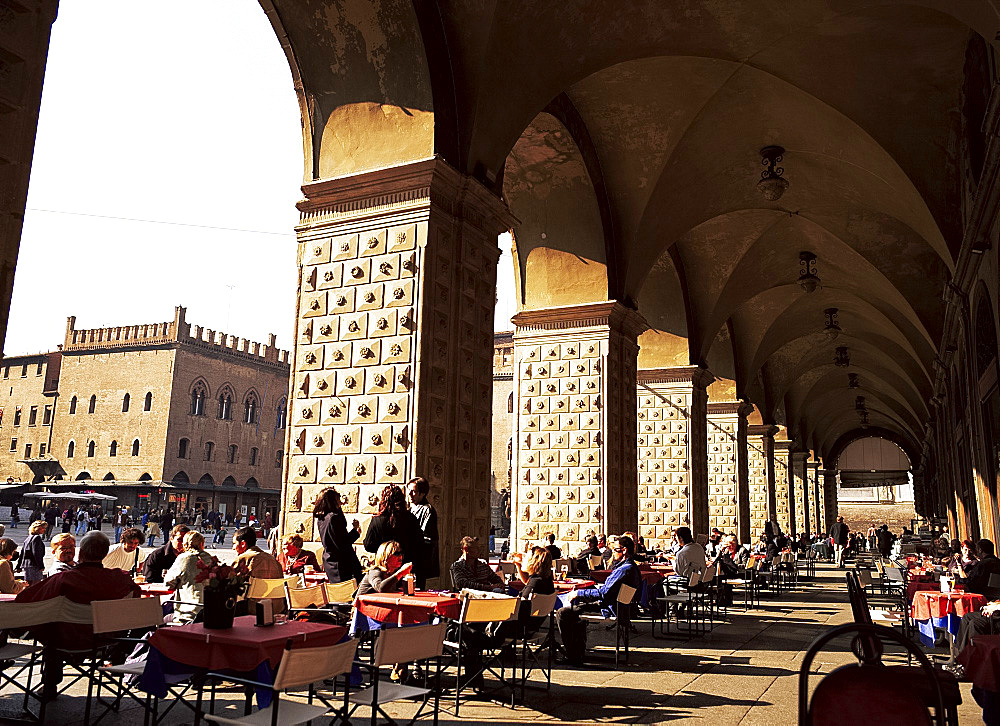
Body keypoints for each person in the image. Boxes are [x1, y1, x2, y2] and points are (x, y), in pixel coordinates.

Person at [13, 531, 141, 699]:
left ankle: (49, 685)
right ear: (103, 554)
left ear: (81, 553)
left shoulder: (63, 579)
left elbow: (25, 600)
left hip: (65, 640)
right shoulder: (121, 579)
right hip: (106, 640)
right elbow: (135, 597)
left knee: (54, 628)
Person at [566, 534, 641, 612]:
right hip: (622, 608)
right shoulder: (632, 567)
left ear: (624, 550)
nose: (613, 552)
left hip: (609, 608)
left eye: (615, 549)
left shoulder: (623, 570)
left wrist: (578, 593)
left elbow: (603, 593)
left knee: (563, 612)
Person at [364, 485, 422, 578]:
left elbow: (368, 545)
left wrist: (384, 551)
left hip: (385, 566)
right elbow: (419, 543)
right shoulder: (410, 518)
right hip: (406, 566)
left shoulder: (377, 520)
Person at [313, 487, 362, 584]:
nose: (340, 502)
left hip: (330, 562)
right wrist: (355, 532)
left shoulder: (322, 519)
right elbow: (341, 543)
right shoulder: (333, 518)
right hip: (341, 563)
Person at [164, 530, 214, 624]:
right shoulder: (210, 558)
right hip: (208, 611)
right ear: (202, 544)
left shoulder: (184, 558)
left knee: (163, 618)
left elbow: (168, 584)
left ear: (185, 544)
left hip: (188, 613)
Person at [407, 476, 439, 589]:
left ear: (422, 493)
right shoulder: (410, 508)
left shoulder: (427, 510)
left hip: (420, 558)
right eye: (409, 490)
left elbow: (425, 535)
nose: (410, 494)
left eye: (414, 491)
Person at [19, 519, 46, 584]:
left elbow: (23, 553)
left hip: (26, 565)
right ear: (38, 528)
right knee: (36, 585)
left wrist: (19, 565)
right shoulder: (37, 538)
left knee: (28, 584)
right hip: (34, 565)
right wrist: (41, 566)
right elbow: (36, 553)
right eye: (43, 528)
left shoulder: (28, 538)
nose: (44, 530)